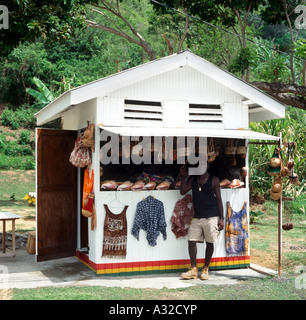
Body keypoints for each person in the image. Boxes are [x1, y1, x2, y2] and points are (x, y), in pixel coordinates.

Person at [179, 163, 224, 280]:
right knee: (191, 241)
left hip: (212, 216)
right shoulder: (193, 179)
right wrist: (183, 176)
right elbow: (183, 191)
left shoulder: (214, 180)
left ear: (207, 166)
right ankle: (193, 269)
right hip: (197, 216)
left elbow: (219, 199)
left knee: (210, 243)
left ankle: (205, 268)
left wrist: (222, 218)